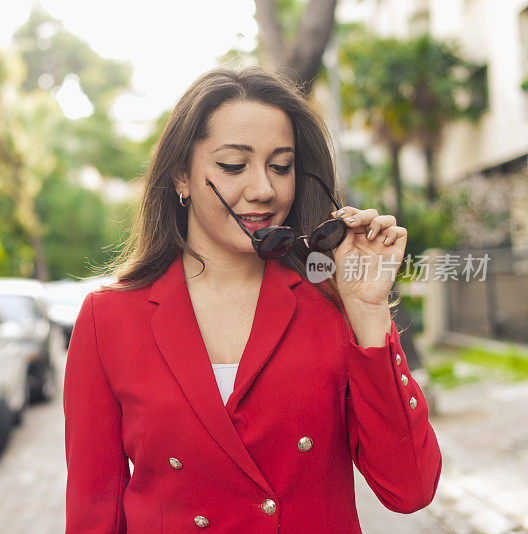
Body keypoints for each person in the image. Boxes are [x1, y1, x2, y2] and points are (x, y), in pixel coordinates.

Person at [63, 66, 441, 533]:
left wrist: (367, 309)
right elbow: (93, 513)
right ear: (182, 175)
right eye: (233, 166)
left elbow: (410, 490)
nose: (264, 189)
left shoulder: (334, 306)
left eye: (280, 166)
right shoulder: (109, 320)